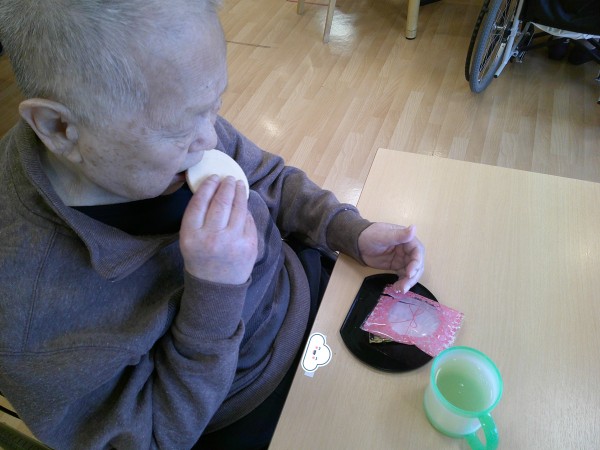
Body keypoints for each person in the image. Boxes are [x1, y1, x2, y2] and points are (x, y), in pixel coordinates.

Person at [0, 1, 425, 448]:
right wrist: (215, 293)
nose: (210, 138)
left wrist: (350, 231)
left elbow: (268, 178)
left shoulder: (174, 113)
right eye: (179, 129)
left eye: (214, 106)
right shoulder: (27, 312)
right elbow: (149, 438)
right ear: (59, 127)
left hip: (306, 288)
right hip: (247, 403)